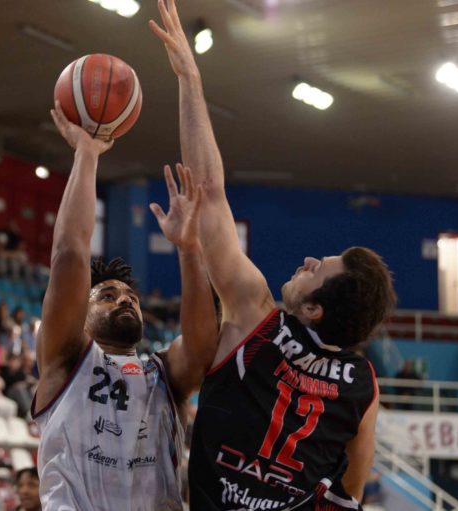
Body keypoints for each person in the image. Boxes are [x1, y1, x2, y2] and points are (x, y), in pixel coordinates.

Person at [152, 1, 397, 508]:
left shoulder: (254, 317)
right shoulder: (362, 385)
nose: (307, 260)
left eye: (316, 270)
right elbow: (351, 492)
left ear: (314, 308)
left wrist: (190, 81)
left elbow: (209, 193)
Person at [31, 102, 218, 510]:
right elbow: (70, 253)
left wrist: (189, 249)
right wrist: (87, 153)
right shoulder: (65, 357)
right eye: (107, 296)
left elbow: (203, 347)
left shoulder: (164, 374)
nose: (124, 300)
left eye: (131, 297)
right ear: (82, 314)